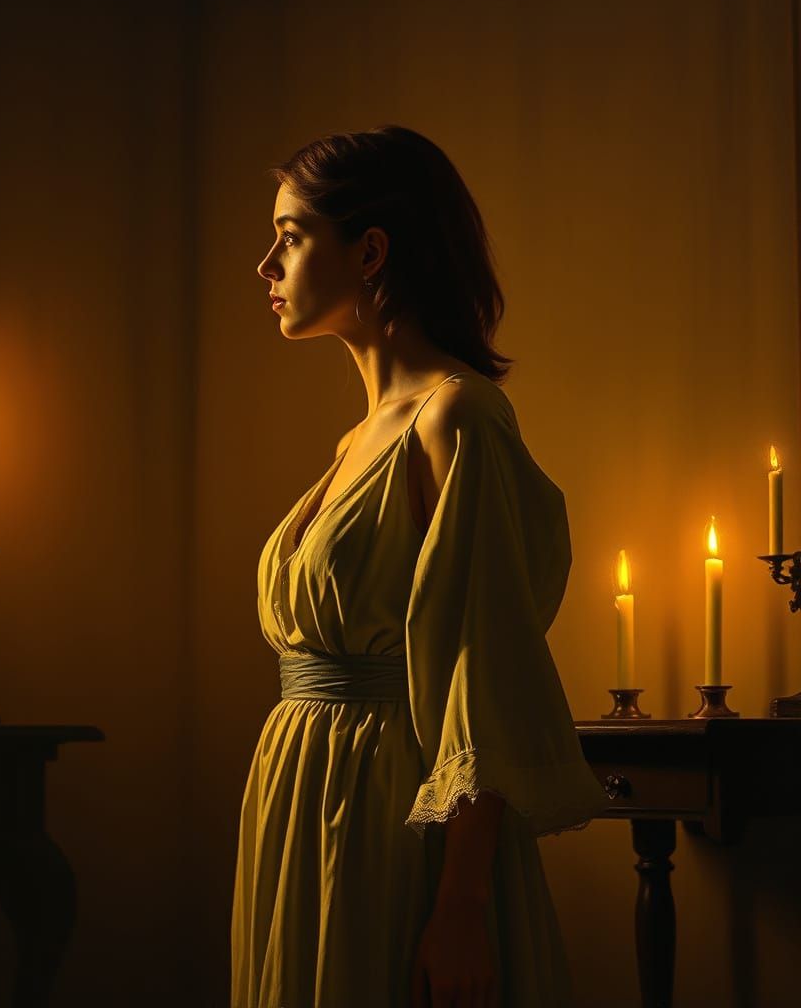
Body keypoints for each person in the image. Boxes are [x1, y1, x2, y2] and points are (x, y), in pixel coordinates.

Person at [231, 125, 609, 1008]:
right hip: (304, 800)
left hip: (392, 810)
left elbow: (488, 674)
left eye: (289, 237)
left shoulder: (457, 420)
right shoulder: (356, 440)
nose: (265, 266)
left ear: (369, 250)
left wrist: (462, 907)